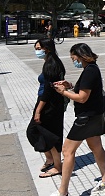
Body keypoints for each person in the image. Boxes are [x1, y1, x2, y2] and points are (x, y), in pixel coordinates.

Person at [51, 43, 105, 196]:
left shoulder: (89, 71)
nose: (72, 60)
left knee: (67, 150)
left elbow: (82, 98)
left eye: (73, 57)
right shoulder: (92, 68)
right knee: (96, 148)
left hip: (86, 118)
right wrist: (69, 85)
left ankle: (63, 191)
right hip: (95, 115)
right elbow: (85, 89)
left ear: (80, 56)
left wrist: (63, 92)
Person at [26, 38, 65, 179]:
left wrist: (38, 110)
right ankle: (50, 159)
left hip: (49, 104)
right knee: (47, 132)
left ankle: (57, 166)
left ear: (46, 49)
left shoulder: (51, 65)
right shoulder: (52, 62)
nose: (37, 51)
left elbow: (48, 91)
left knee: (41, 132)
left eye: (38, 48)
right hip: (50, 102)